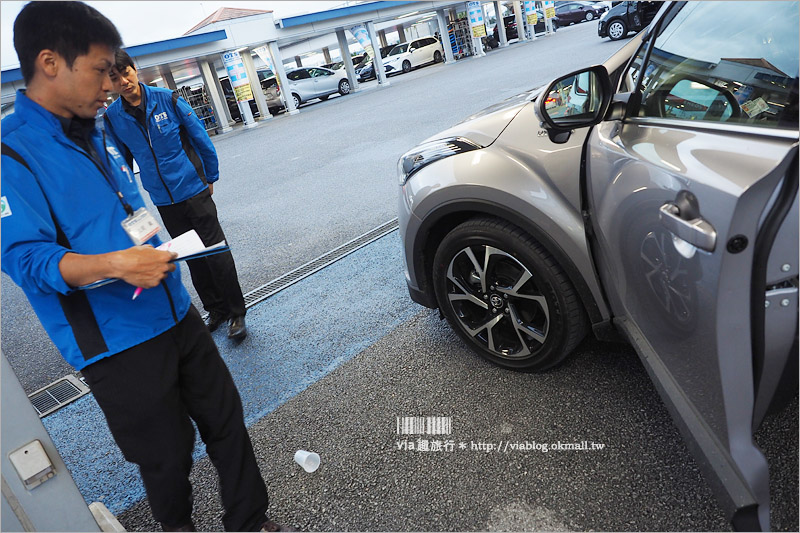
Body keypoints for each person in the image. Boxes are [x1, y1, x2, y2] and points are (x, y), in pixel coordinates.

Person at [1, 3, 289, 531]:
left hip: (175, 309)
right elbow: (23, 259)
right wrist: (117, 263)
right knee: (165, 457)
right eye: (100, 68)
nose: (112, 82)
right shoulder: (11, 155)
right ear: (49, 62)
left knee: (226, 420)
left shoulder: (93, 126)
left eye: (115, 69)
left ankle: (250, 521)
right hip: (118, 341)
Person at [103, 49, 247, 341]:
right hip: (163, 199)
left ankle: (236, 313)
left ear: (134, 69)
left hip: (194, 189)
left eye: (126, 73)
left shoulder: (167, 99)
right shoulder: (113, 117)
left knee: (215, 251)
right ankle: (216, 310)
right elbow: (122, 162)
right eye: (115, 78)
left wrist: (210, 177)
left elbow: (200, 139)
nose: (124, 82)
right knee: (190, 255)